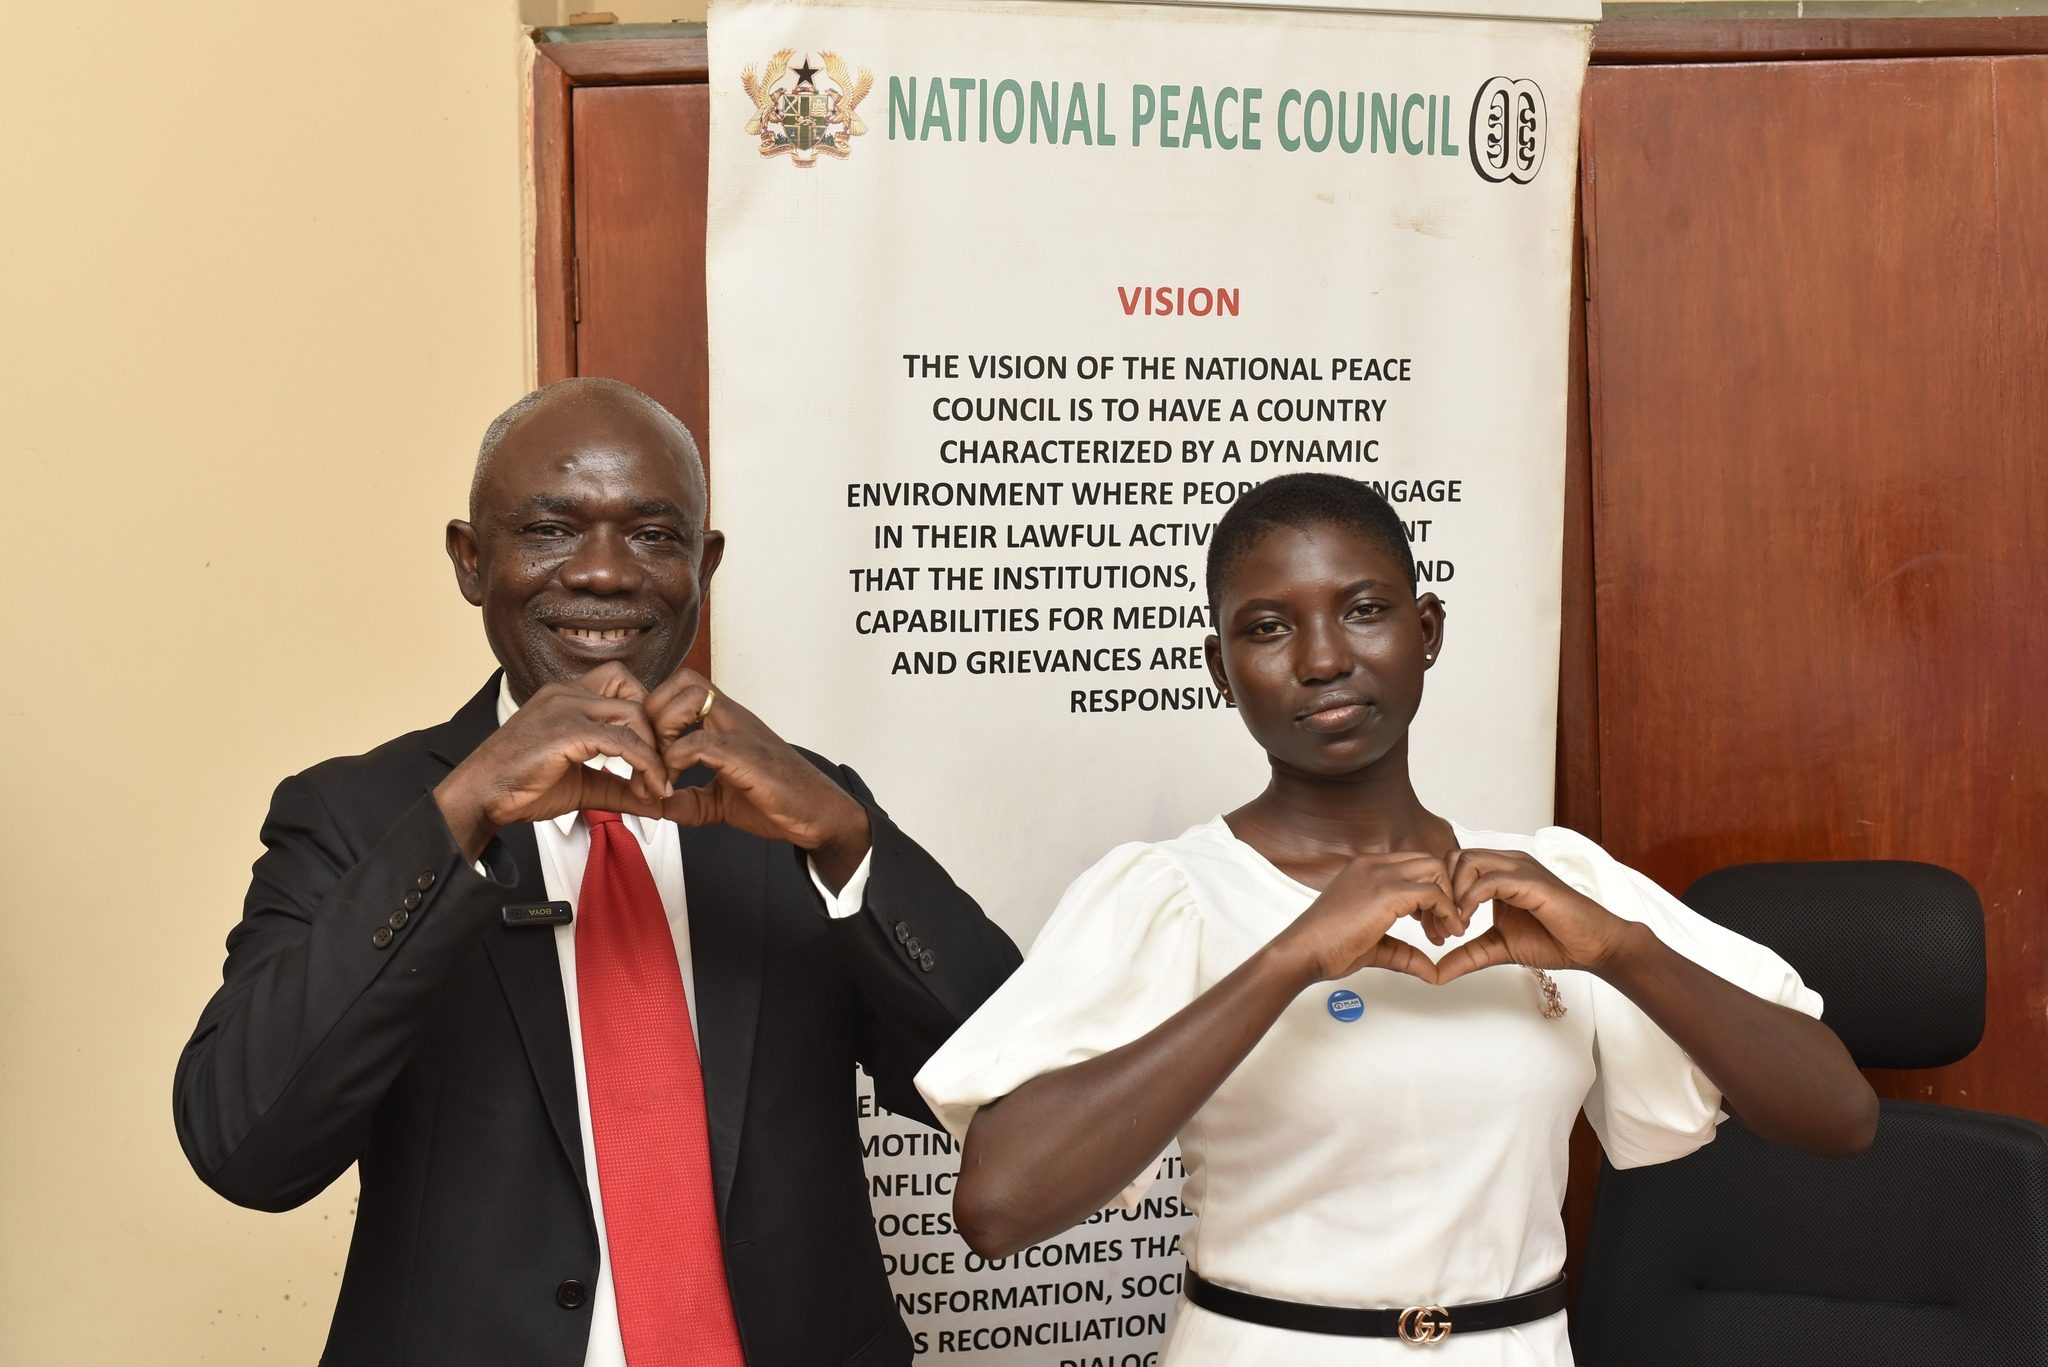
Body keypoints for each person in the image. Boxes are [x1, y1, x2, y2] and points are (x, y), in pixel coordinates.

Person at [915, 472, 1877, 1364]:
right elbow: (998, 1207)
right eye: (1267, 628)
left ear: (1428, 629)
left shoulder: (1555, 882)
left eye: (1366, 610)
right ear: (1219, 667)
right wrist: (1287, 959)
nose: (1326, 658)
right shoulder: (1175, 894)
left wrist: (1625, 952)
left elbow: (1840, 1118)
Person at [174, 377, 1021, 1367]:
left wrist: (846, 840)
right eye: (550, 528)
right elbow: (246, 1145)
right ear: (469, 558)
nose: (607, 573)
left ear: (703, 566)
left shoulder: (800, 805)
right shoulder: (358, 816)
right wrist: (464, 813)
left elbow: (1015, 1094)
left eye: (654, 536)